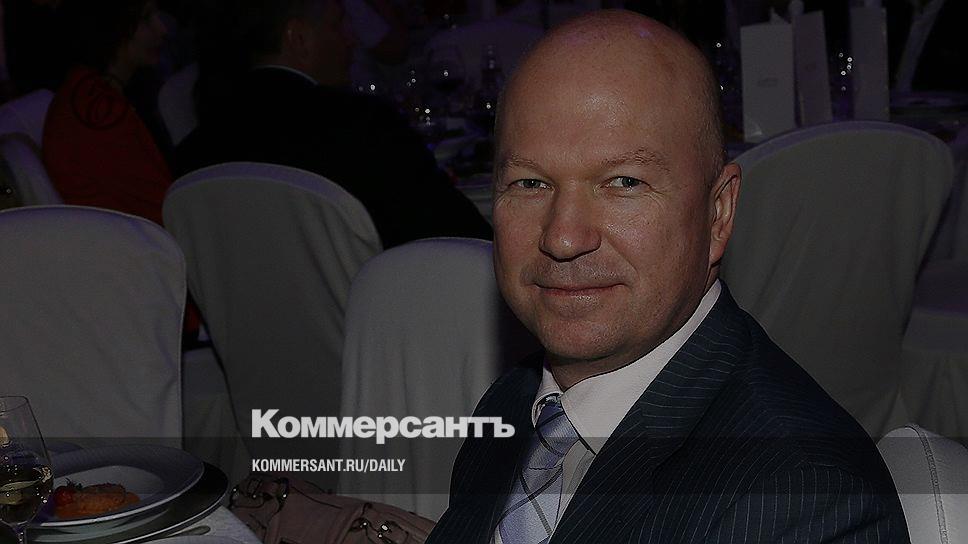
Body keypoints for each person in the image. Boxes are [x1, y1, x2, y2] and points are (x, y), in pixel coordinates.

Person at [427, 10, 908, 543]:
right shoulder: (514, 403)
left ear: (718, 213)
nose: (562, 238)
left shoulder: (803, 499)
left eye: (624, 183)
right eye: (530, 183)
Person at [177, 0, 493, 249]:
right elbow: (463, 236)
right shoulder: (362, 126)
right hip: (373, 310)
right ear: (299, 39)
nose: (351, 39)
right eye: (339, 24)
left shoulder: (194, 153)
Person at [42, 0, 171, 225]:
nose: (162, 29)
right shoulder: (98, 113)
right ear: (112, 26)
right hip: (132, 240)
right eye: (146, 19)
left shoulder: (83, 91)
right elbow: (164, 210)